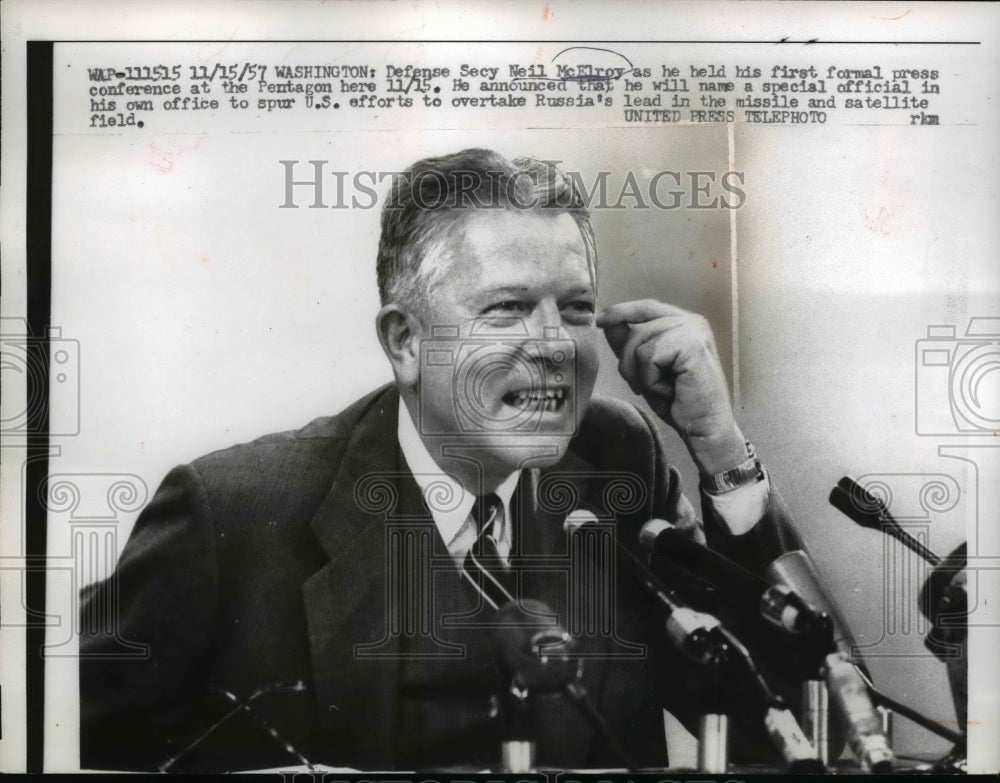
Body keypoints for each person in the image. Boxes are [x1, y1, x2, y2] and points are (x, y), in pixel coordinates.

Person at [80, 148, 804, 772]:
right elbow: (58, 743)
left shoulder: (617, 462)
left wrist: (719, 445)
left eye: (577, 308)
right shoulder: (233, 515)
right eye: (508, 308)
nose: (555, 344)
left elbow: (806, 729)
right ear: (405, 343)